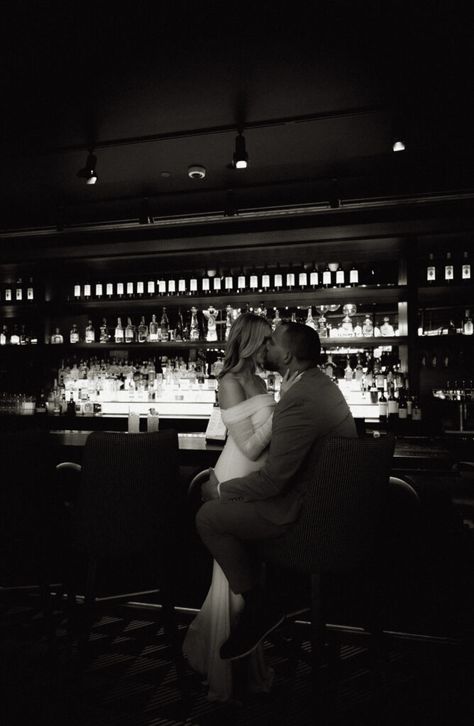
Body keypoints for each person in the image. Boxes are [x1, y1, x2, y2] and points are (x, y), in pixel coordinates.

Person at [196, 321, 357, 663]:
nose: (267, 346)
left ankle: (262, 607)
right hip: (326, 506)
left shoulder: (299, 397)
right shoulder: (314, 385)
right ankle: (271, 607)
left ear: (285, 355)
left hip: (308, 515)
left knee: (209, 516)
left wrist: (222, 490)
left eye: (272, 342)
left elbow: (273, 481)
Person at [183, 312, 296, 702]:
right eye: (265, 341)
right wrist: (284, 411)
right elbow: (249, 445)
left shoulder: (263, 381)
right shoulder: (228, 382)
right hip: (235, 474)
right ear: (248, 342)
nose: (270, 348)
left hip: (259, 482)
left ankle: (246, 663)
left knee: (249, 575)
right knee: (232, 578)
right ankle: (227, 674)